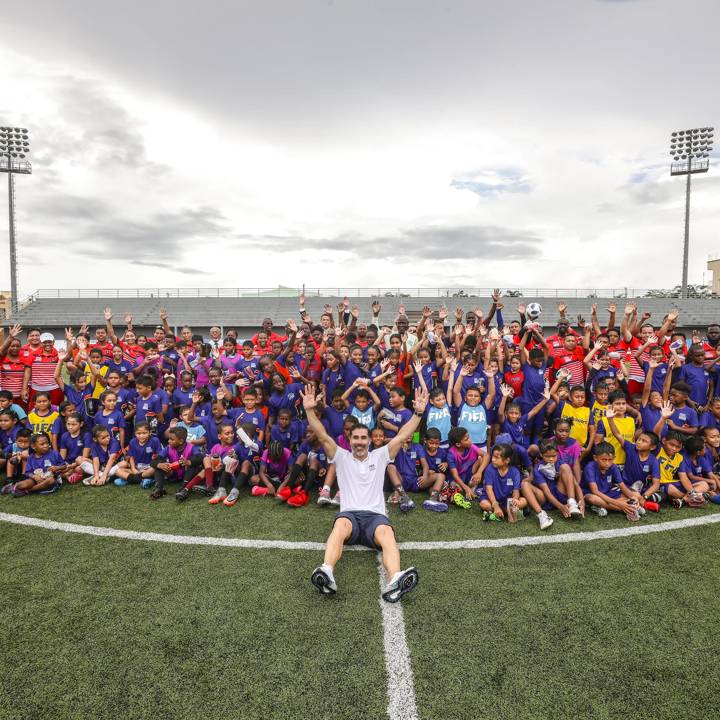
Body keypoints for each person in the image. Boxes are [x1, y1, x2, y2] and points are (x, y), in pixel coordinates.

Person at [304, 385, 429, 603]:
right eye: (356, 438)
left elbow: (402, 436)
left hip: (374, 517)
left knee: (387, 534)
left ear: (369, 441)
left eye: (364, 438)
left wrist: (418, 413)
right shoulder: (340, 456)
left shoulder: (380, 456)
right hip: (350, 516)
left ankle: (395, 578)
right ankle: (327, 572)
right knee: (339, 525)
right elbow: (322, 436)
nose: (360, 441)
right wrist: (308, 410)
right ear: (349, 440)